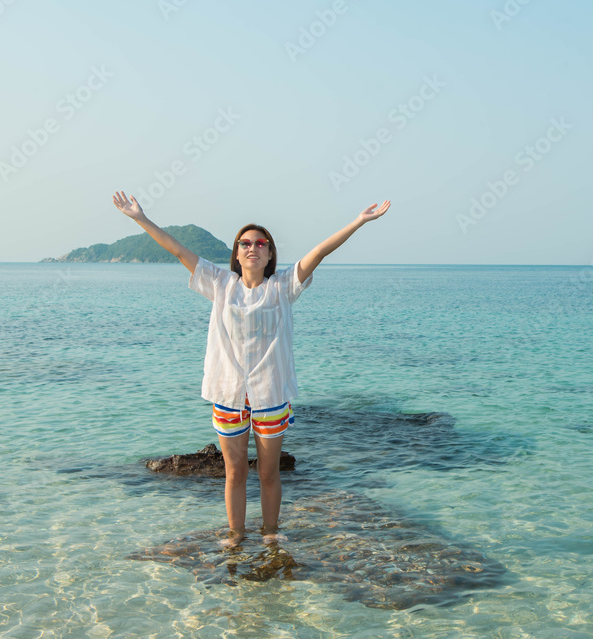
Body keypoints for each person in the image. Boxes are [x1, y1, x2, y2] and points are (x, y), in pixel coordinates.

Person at [112, 191, 391, 548]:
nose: (252, 248)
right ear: (237, 252)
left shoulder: (282, 288)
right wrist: (140, 218)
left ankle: (270, 533)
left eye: (261, 243)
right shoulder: (220, 284)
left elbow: (319, 252)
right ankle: (236, 535)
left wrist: (359, 220)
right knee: (235, 471)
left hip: (271, 393)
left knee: (269, 472)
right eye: (245, 243)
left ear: (270, 253)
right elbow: (178, 250)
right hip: (227, 391)